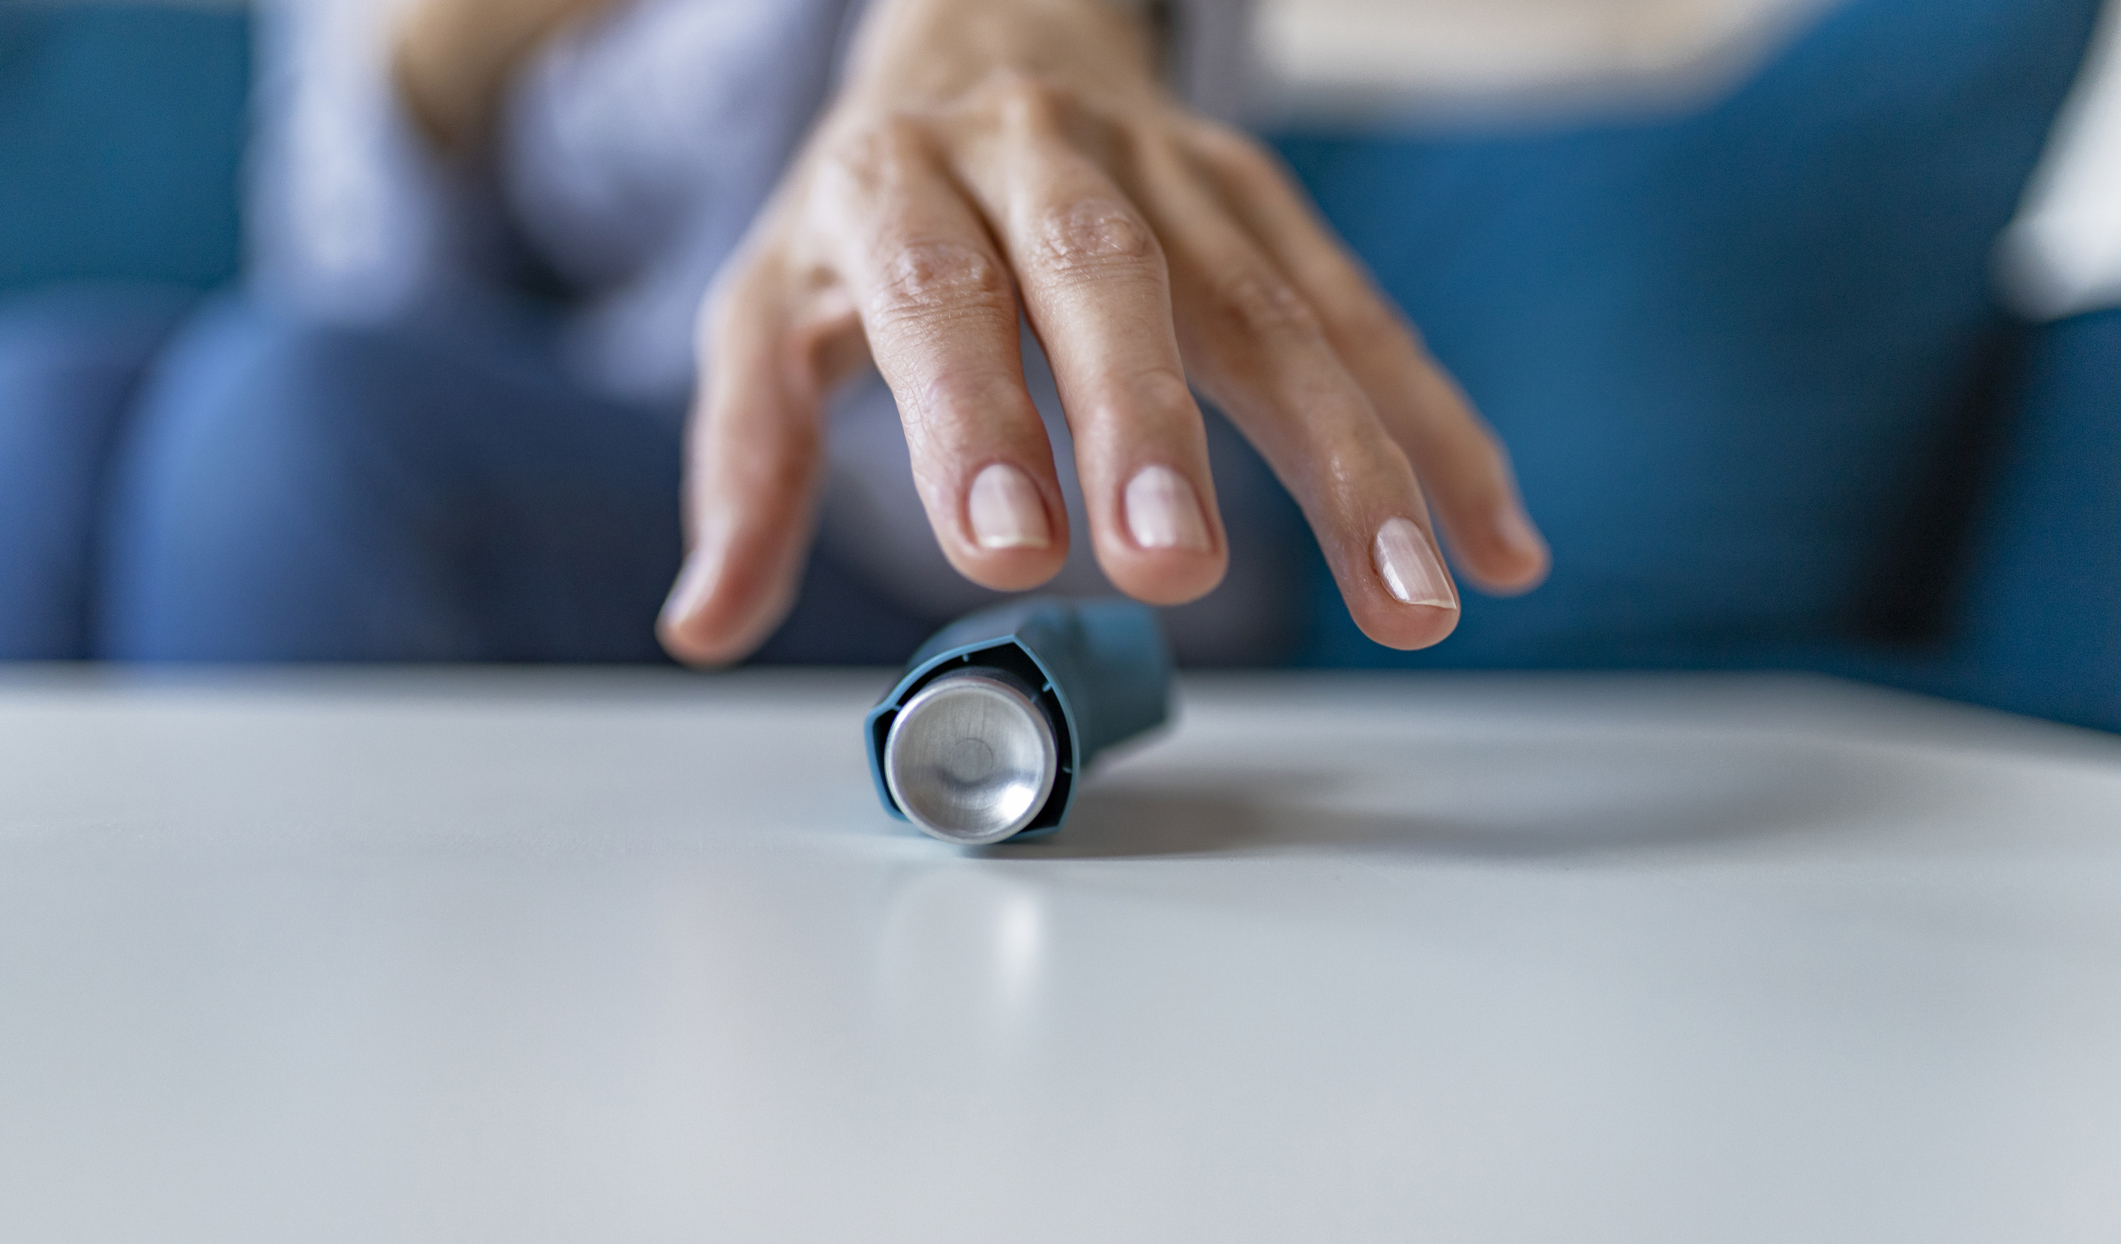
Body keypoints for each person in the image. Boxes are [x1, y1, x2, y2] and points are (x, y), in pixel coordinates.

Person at [67, 0, 1548, 666]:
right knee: (51, 412)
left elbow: (1055, 28)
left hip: (929, 535)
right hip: (601, 444)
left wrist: (1014, 35)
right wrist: (440, 60)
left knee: (286, 433)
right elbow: (349, 293)